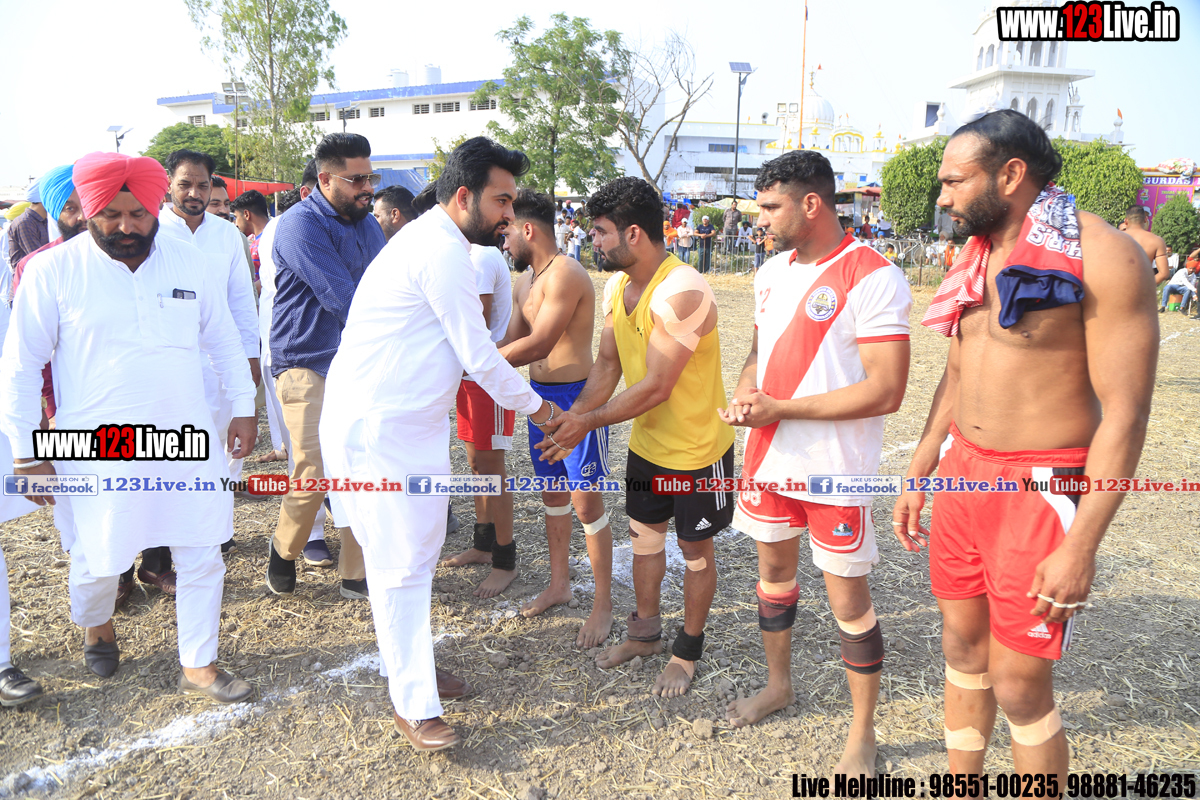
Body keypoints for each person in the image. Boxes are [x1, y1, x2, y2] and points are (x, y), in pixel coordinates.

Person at [893, 109, 1157, 783]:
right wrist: (923, 461)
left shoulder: (1103, 256)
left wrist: (1081, 546)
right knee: (962, 650)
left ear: (1010, 174)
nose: (942, 197)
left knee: (1018, 684)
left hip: (1041, 487)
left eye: (955, 181)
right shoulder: (975, 253)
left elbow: (1126, 415)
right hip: (964, 475)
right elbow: (960, 367)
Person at [320, 137, 555, 752]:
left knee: (416, 555)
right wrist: (543, 410)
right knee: (399, 563)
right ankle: (414, 704)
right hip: (379, 429)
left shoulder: (443, 244)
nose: (510, 215)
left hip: (412, 426)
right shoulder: (440, 250)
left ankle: (413, 667)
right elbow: (479, 356)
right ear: (464, 196)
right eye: (502, 201)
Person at [0, 151, 258, 702]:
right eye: (111, 215)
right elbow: (19, 367)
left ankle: (199, 664)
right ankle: (98, 624)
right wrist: (25, 451)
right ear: (88, 211)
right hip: (94, 442)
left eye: (138, 213)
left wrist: (243, 404)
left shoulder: (188, 262)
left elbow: (223, 338)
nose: (126, 226)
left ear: (154, 206)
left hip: (186, 434)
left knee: (202, 548)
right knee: (98, 560)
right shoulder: (52, 271)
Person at [720, 151, 912, 777]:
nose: (760, 220)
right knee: (773, 577)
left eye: (770, 207)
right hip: (767, 459)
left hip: (834, 470)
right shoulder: (770, 272)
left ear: (811, 204)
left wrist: (782, 407)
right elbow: (759, 349)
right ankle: (779, 685)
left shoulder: (874, 275)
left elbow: (887, 389)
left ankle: (863, 730)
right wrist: (746, 393)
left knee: (848, 601)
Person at [539, 177, 735, 698]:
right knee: (645, 545)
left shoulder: (683, 290)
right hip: (648, 448)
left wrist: (587, 423)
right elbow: (607, 365)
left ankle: (686, 650)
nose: (592, 241)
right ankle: (645, 635)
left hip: (698, 452)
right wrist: (573, 418)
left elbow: (656, 386)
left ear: (633, 234)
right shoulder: (616, 287)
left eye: (600, 232)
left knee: (695, 552)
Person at [484, 188, 615, 648]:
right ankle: (560, 585)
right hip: (538, 399)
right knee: (553, 496)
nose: (503, 242)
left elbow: (539, 343)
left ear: (528, 229)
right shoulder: (526, 282)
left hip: (577, 400)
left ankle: (603, 604)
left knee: (587, 504)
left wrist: (475, 363)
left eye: (506, 231)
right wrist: (469, 356)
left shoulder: (567, 273)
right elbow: (510, 345)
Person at [269, 134, 385, 600]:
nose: (367, 187)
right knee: (314, 471)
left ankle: (354, 573)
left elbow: (386, 286)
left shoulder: (368, 224)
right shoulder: (299, 224)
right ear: (324, 179)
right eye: (356, 179)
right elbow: (344, 297)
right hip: (306, 361)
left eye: (370, 177)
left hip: (358, 362)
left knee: (361, 465)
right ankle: (283, 549)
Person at [157, 148, 263, 568]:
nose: (194, 193)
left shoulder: (225, 235)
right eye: (185, 184)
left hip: (223, 362)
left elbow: (241, 300)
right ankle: (168, 542)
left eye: (202, 185)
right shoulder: (154, 232)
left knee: (224, 449)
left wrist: (250, 356)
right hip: (172, 364)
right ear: (169, 185)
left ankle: (216, 531)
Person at [441, 239, 520, 598]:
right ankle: (483, 544)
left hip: (488, 376)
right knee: (477, 465)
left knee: (492, 468)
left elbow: (479, 323)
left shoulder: (483, 256)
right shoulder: (467, 255)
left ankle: (505, 560)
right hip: (469, 375)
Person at [231, 189, 271, 285]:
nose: (236, 224)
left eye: (236, 217)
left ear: (246, 214)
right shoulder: (262, 239)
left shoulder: (268, 241)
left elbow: (270, 277)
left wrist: (251, 290)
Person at [1122, 205, 1170, 285]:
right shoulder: (1156, 241)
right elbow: (1164, 273)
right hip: (1142, 288)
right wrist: (1145, 286)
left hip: (1115, 288)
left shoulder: (1114, 238)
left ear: (1126, 221)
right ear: (1145, 219)